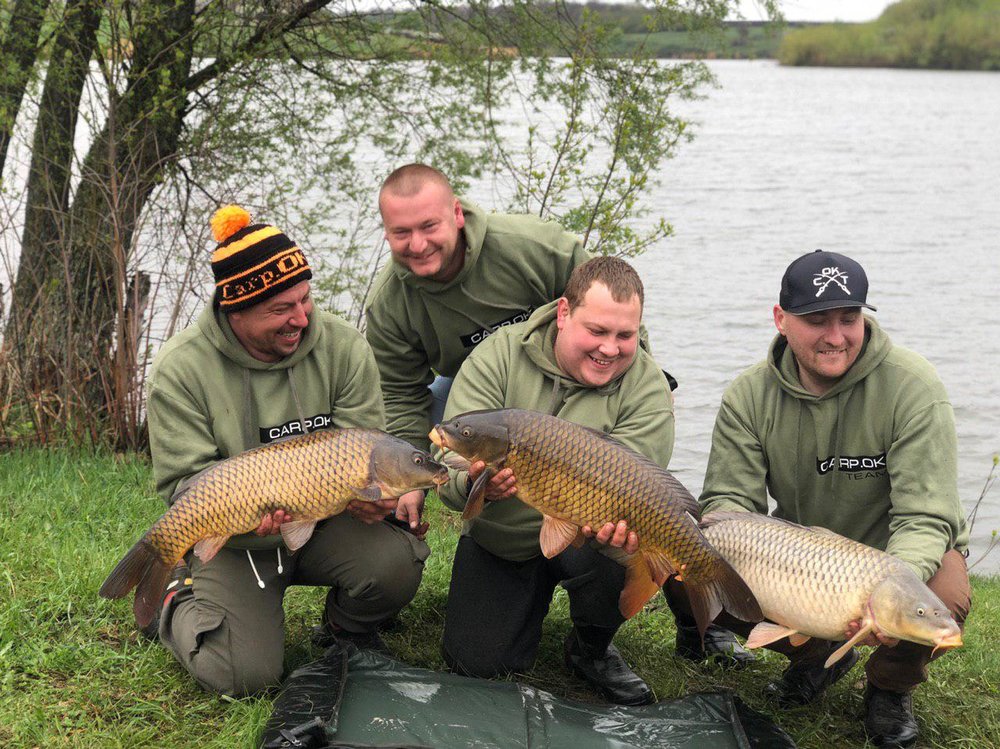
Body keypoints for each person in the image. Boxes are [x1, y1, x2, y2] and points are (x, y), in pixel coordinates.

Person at [672, 249, 970, 747]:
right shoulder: (748, 395)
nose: (836, 337)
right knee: (697, 571)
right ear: (781, 320)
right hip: (803, 552)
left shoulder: (914, 388)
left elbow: (925, 515)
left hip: (896, 556)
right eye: (816, 320)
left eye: (848, 319)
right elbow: (729, 501)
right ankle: (817, 661)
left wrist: (890, 586)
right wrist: (716, 547)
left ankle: (889, 688)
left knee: (944, 598)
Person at [144, 205, 430, 697]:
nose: (301, 317)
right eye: (280, 309)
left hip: (322, 523)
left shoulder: (341, 346)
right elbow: (182, 485)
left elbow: (366, 447)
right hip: (234, 537)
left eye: (305, 299)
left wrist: (373, 500)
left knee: (396, 560)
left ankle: (345, 630)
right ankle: (174, 597)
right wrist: (233, 516)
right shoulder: (179, 369)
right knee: (245, 676)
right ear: (236, 311)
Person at [435, 256, 674, 706]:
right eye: (598, 331)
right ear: (563, 313)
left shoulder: (646, 386)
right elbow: (445, 461)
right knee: (476, 664)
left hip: (588, 537)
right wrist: (473, 485)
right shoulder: (499, 355)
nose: (611, 348)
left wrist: (619, 527)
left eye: (625, 335)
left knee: (624, 544)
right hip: (503, 537)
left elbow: (642, 486)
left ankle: (591, 648)